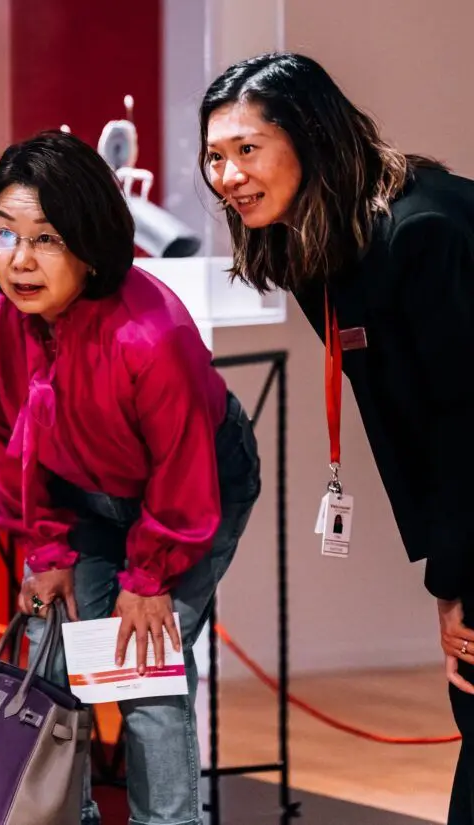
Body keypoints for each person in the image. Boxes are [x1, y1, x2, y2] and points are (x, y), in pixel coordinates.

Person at [0, 130, 261, 825]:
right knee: (49, 660)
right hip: (74, 493)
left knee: (142, 670)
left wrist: (149, 578)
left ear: (90, 243)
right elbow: (0, 443)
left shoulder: (151, 335)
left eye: (47, 238)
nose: (20, 260)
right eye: (3, 233)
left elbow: (183, 472)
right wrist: (47, 550)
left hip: (188, 489)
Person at [198, 51, 474, 825]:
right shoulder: (317, 250)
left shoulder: (422, 233)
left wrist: (455, 581)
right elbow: (413, 419)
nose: (227, 176)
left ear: (313, 138)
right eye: (214, 156)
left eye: (247, 149)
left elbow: (461, 425)